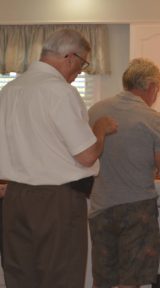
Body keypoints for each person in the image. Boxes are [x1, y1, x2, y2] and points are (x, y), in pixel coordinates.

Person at [0, 29, 117, 288]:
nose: (79, 72)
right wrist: (100, 128)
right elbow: (87, 155)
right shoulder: (59, 92)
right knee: (61, 278)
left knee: (21, 277)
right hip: (56, 202)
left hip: (14, 198)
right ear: (69, 57)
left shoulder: (9, 90)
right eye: (82, 64)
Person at [88, 57, 160, 288]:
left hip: (100, 208)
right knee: (130, 282)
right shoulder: (155, 121)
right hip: (137, 210)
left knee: (103, 280)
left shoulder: (96, 110)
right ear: (151, 87)